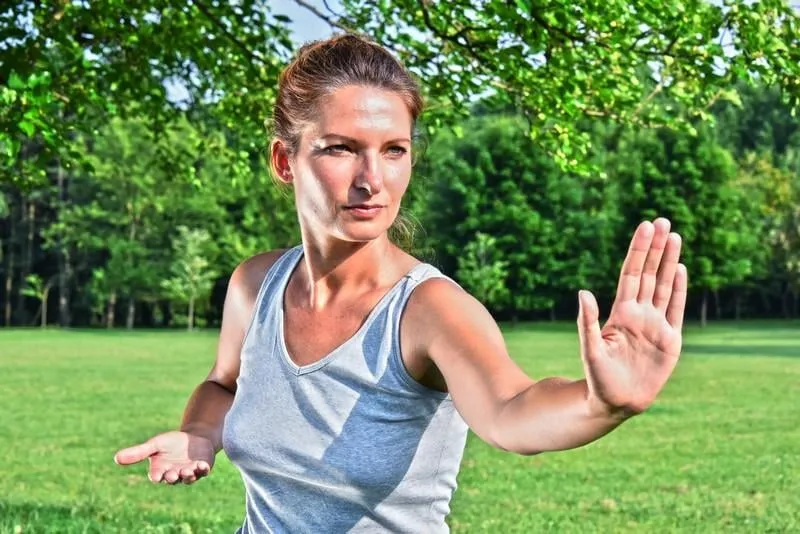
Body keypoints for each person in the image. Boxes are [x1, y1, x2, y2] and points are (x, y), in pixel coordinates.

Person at [114, 34, 688, 533]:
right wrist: (198, 434)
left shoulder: (429, 311)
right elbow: (223, 385)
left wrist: (600, 404)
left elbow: (511, 409)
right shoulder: (256, 285)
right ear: (284, 161)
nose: (372, 180)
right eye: (341, 148)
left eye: (394, 151)